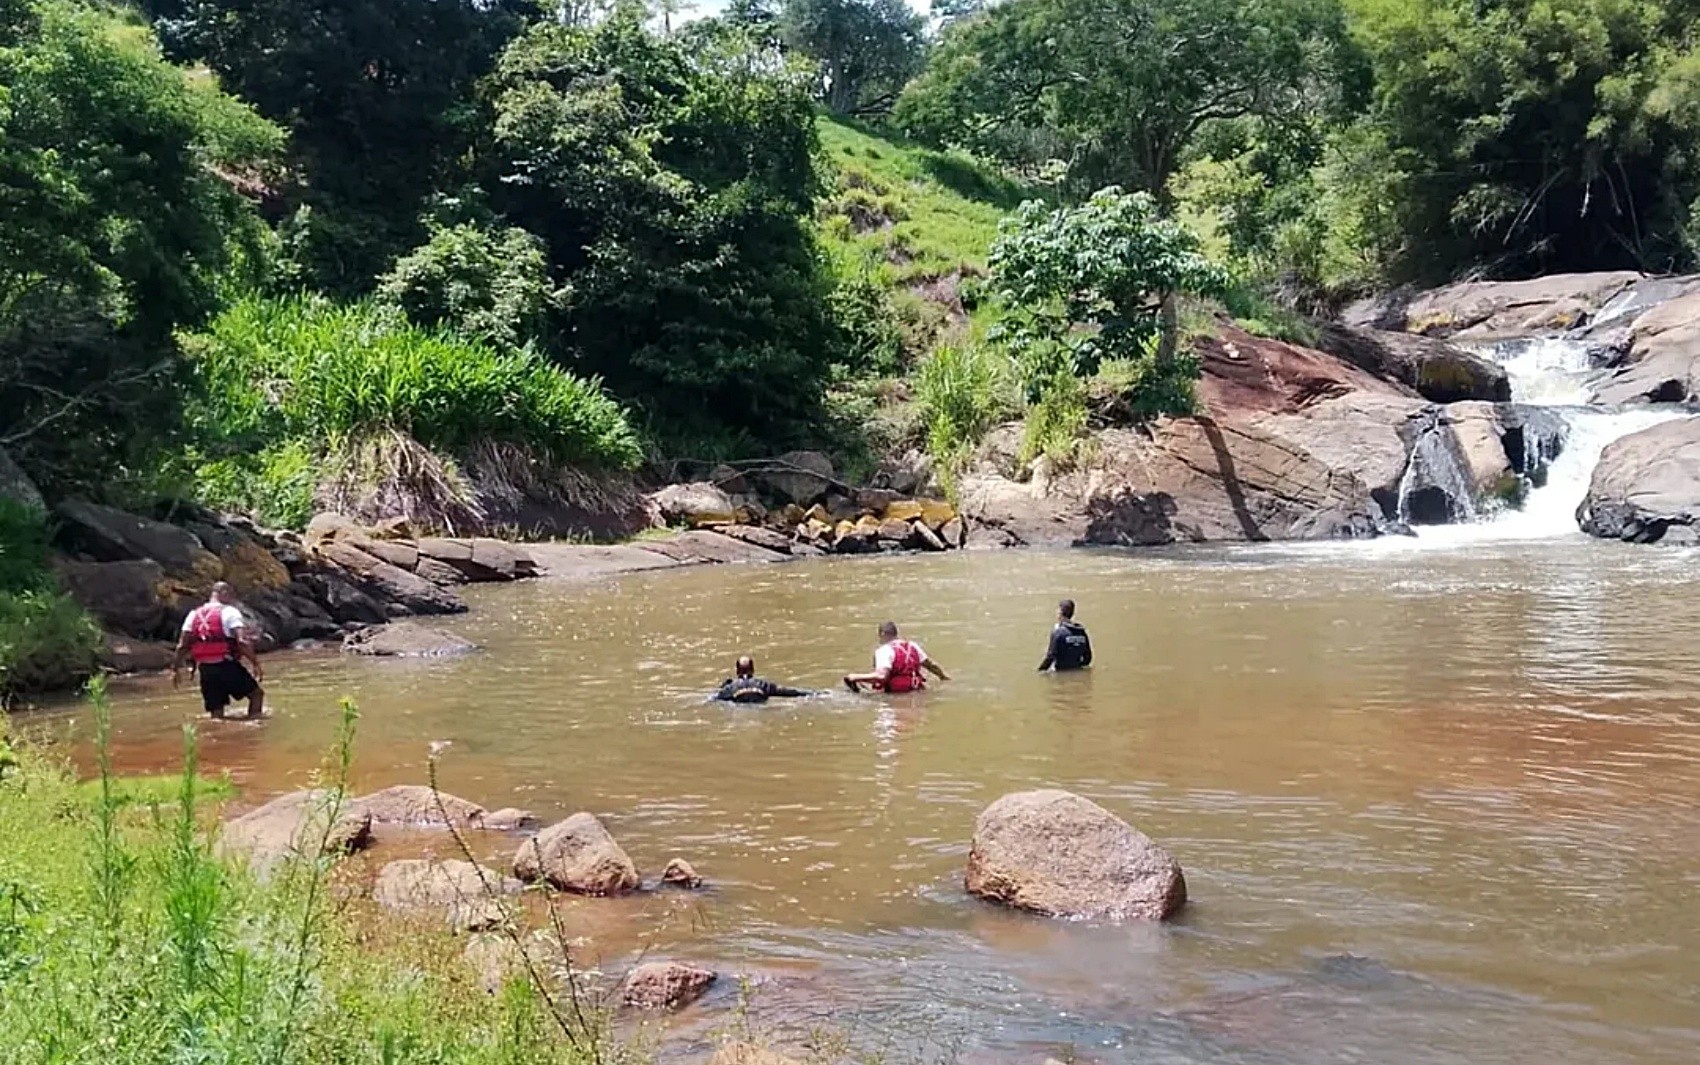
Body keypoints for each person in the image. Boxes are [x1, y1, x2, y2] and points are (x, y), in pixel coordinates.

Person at [173, 582, 265, 719]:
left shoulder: (193, 615)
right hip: (226, 665)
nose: (232, 599)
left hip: (205, 670)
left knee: (216, 711)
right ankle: (255, 726)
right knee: (256, 694)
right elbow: (241, 641)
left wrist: (175, 669)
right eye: (231, 595)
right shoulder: (229, 612)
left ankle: (217, 735)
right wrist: (255, 664)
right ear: (224, 593)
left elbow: (182, 645)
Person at [844, 621, 950, 693]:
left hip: (895, 694)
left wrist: (855, 677)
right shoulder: (912, 646)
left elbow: (881, 676)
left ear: (882, 634)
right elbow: (931, 666)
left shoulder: (884, 650)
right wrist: (943, 677)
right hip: (916, 690)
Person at [714, 656, 816, 704]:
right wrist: (814, 694)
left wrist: (722, 687)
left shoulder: (730, 687)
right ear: (753, 670)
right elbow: (790, 692)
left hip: (739, 709)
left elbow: (713, 700)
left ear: (737, 671)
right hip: (760, 707)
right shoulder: (763, 684)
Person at [1038, 598, 1093, 672]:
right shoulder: (1081, 631)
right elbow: (1088, 658)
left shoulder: (1058, 632)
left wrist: (1039, 672)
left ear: (1060, 612)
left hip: (1061, 674)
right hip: (1077, 670)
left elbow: (1050, 657)